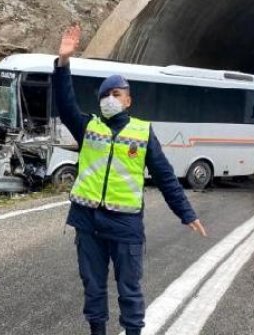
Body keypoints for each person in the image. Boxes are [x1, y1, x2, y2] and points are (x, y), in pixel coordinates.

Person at [54, 24, 207, 335]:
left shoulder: (142, 132)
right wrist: (63, 64)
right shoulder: (88, 127)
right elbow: (64, 101)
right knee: (93, 288)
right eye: (105, 95)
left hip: (125, 225)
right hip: (88, 222)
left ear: (128, 100)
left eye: (116, 94)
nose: (110, 98)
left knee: (130, 290)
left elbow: (165, 177)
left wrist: (186, 213)